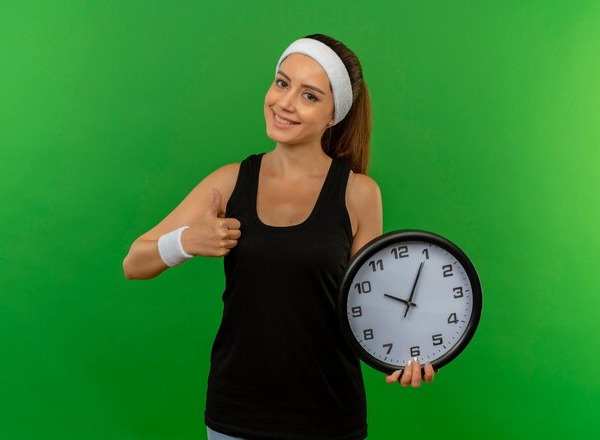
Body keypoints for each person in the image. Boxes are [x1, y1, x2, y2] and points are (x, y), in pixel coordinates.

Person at [123, 34, 437, 440]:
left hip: (328, 418)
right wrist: (186, 242)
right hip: (236, 416)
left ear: (333, 115)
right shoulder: (230, 180)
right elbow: (134, 262)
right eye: (282, 82)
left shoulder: (359, 193)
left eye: (309, 96)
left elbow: (369, 305)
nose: (285, 103)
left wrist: (407, 354)